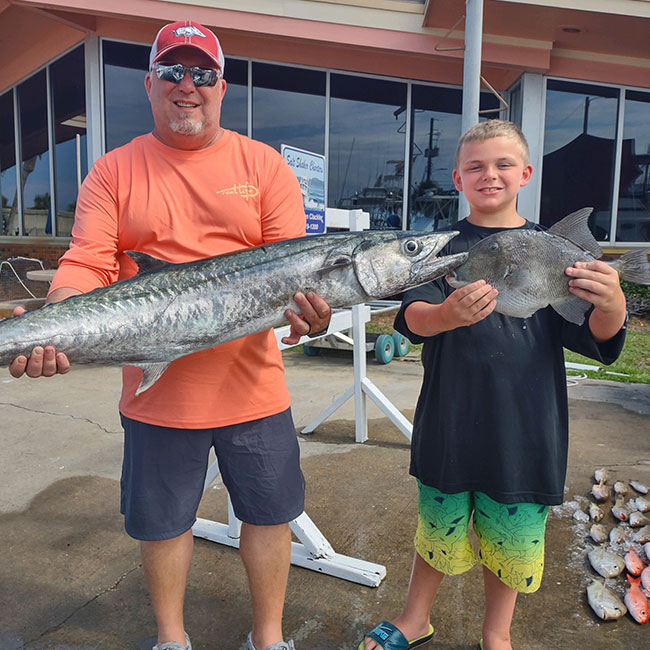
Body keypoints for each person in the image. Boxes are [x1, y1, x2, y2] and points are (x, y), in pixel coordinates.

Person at [9, 20, 332, 650]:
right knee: (163, 523)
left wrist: (312, 315)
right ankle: (170, 639)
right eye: (173, 72)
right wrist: (58, 322)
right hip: (157, 396)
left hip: (254, 392)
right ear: (150, 83)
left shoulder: (262, 165)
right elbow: (87, 263)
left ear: (222, 86)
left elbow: (297, 272)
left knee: (271, 516)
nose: (189, 85)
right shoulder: (114, 170)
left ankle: (269, 639)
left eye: (203, 73)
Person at [359, 120, 627, 650]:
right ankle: (416, 618)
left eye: (503, 164)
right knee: (437, 528)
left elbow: (595, 337)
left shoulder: (554, 250)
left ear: (525, 173)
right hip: (449, 422)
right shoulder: (439, 247)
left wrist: (613, 305)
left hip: (526, 431)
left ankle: (496, 634)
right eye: (476, 166)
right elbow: (409, 320)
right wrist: (447, 316)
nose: (490, 175)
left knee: (513, 539)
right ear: (457, 179)